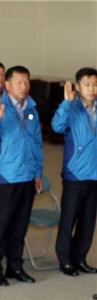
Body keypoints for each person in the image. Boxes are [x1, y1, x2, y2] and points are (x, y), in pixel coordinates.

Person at [0, 66, 43, 286]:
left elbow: (37, 143)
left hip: (27, 175)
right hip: (6, 175)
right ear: (7, 84)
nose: (24, 86)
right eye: (19, 82)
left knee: (20, 224)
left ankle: (15, 266)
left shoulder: (31, 108)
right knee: (1, 224)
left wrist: (37, 172)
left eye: (27, 82)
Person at [51, 67, 97, 276]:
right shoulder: (71, 107)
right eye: (87, 84)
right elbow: (57, 126)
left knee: (88, 221)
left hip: (95, 174)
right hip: (75, 174)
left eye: (95, 84)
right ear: (78, 87)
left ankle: (80, 258)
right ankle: (65, 259)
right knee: (69, 218)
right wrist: (66, 103)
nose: (92, 89)